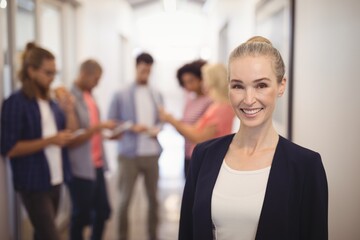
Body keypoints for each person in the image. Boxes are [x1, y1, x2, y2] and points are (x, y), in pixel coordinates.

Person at [178, 36, 328, 240]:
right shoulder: (204, 155)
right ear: (228, 87)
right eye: (238, 86)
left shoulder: (305, 165)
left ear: (281, 85)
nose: (249, 100)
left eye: (261, 85)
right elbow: (188, 232)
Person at [0, 42, 77, 240]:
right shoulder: (16, 103)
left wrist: (69, 110)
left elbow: (70, 132)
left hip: (56, 178)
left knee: (41, 235)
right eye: (48, 73)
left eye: (54, 73)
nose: (52, 79)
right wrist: (50, 140)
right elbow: (10, 148)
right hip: (33, 183)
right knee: (51, 235)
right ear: (31, 71)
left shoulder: (51, 103)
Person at [108, 52, 163, 240]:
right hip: (128, 155)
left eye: (148, 70)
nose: (145, 73)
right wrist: (132, 126)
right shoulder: (121, 93)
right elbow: (111, 122)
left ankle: (153, 235)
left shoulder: (156, 94)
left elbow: (161, 120)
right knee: (124, 201)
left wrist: (158, 128)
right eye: (142, 69)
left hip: (152, 153)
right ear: (136, 67)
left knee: (154, 200)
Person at [67, 59, 116, 240]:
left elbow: (93, 132)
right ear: (84, 74)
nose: (98, 83)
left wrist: (108, 134)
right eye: (95, 79)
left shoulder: (90, 96)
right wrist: (98, 127)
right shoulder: (70, 98)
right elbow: (74, 136)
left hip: (97, 164)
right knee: (81, 216)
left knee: (103, 212)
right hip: (81, 167)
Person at [159, 63, 235, 174]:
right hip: (202, 158)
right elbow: (195, 130)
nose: (202, 83)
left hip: (210, 161)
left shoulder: (221, 108)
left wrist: (171, 120)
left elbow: (198, 136)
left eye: (204, 79)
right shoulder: (217, 106)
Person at [176, 60, 213, 177]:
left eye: (191, 81)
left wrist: (171, 120)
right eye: (185, 82)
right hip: (187, 153)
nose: (188, 86)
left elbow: (199, 133)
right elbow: (184, 127)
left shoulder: (210, 101)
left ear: (201, 79)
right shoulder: (189, 100)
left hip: (203, 155)